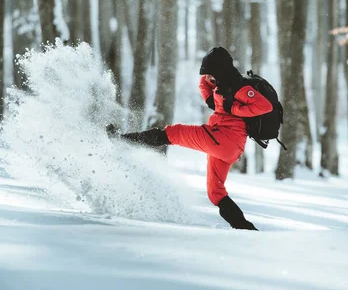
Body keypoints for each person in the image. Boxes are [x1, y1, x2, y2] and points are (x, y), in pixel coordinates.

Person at [108, 47, 273, 230]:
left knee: (173, 133)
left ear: (221, 71)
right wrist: (207, 79)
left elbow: (264, 106)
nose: (209, 79)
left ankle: (121, 139)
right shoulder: (222, 86)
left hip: (225, 139)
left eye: (212, 75)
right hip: (226, 145)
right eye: (208, 76)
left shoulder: (240, 87)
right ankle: (246, 229)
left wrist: (233, 109)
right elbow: (207, 90)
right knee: (215, 193)